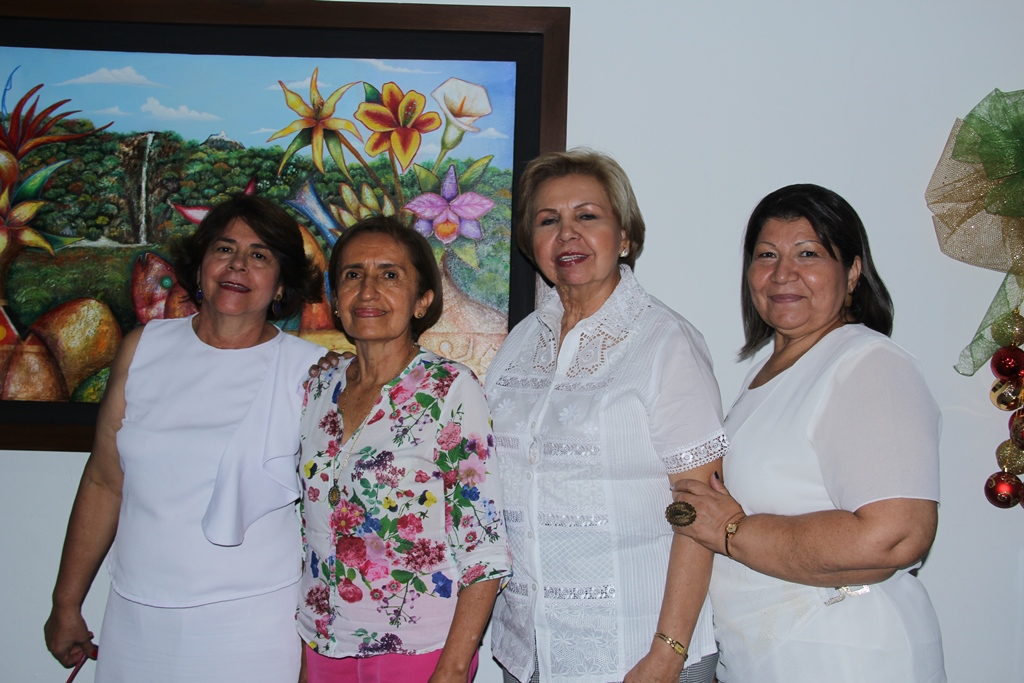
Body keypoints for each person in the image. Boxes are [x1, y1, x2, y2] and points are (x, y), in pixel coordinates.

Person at [43, 194, 326, 682]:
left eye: (260, 255)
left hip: (251, 625)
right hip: (136, 616)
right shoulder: (143, 347)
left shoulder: (311, 372)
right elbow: (104, 482)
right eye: (224, 248)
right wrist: (65, 602)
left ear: (281, 284)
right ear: (199, 268)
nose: (238, 264)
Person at [670, 183, 945, 682]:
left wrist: (733, 532)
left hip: (848, 657)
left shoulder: (868, 364)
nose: (782, 274)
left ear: (853, 271)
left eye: (808, 253)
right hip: (771, 658)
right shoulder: (770, 378)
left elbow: (895, 535)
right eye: (767, 255)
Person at [485, 149, 727, 683]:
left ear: (625, 237)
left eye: (587, 216)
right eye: (549, 221)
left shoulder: (666, 342)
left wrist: (668, 652)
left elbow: (700, 508)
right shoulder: (518, 346)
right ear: (532, 244)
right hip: (530, 656)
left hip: (638, 653)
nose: (567, 234)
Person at [297, 215, 509, 683]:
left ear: (422, 300)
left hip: (419, 653)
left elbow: (484, 544)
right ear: (335, 298)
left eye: (389, 275)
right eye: (352, 275)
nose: (368, 291)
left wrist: (453, 667)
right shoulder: (318, 387)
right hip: (322, 643)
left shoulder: (451, 390)